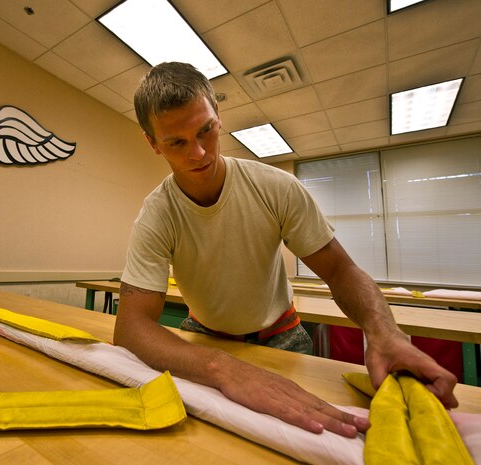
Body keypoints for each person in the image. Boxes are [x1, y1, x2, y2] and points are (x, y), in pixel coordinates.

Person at [113, 61, 458, 438]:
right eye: (176, 142)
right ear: (152, 143)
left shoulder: (276, 187)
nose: (198, 153)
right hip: (204, 333)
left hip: (282, 334)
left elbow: (340, 271)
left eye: (206, 130)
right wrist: (223, 368)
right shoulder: (157, 214)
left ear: (218, 117)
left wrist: (383, 333)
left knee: (310, 433)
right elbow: (131, 327)